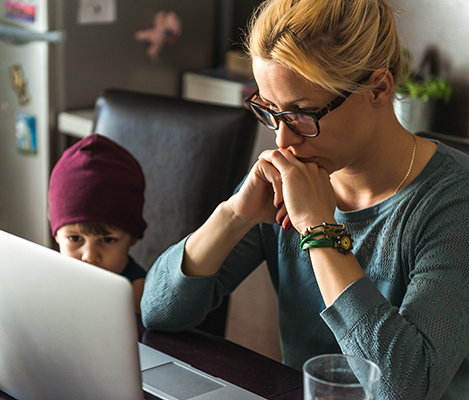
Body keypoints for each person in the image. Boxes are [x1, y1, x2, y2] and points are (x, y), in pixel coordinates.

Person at [140, 0, 469, 398]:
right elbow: (159, 313)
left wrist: (319, 229)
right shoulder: (293, 173)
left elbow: (404, 388)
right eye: (271, 111)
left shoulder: (453, 201)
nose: (282, 140)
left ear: (378, 88)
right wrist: (233, 214)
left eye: (302, 114)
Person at [48, 134, 147, 313]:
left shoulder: (135, 290)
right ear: (56, 235)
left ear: (132, 237)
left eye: (107, 240)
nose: (90, 256)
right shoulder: (49, 274)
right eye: (75, 238)